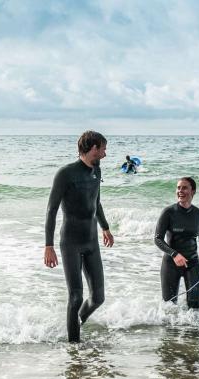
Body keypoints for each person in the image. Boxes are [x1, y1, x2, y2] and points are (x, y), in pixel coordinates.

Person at [44, 130, 114, 342]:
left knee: (98, 298)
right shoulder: (66, 173)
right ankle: (74, 349)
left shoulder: (97, 170)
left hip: (91, 240)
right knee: (76, 297)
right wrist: (48, 246)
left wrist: (105, 227)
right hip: (71, 242)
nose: (105, 154)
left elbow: (97, 201)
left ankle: (76, 322)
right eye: (103, 149)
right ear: (93, 148)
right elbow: (51, 209)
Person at [154, 177, 199, 309]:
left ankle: (194, 330)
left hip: (192, 263)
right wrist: (174, 254)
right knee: (169, 306)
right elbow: (158, 239)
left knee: (194, 305)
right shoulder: (168, 212)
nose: (180, 191)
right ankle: (170, 330)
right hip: (171, 264)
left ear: (193, 191)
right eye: (178, 188)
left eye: (184, 188)